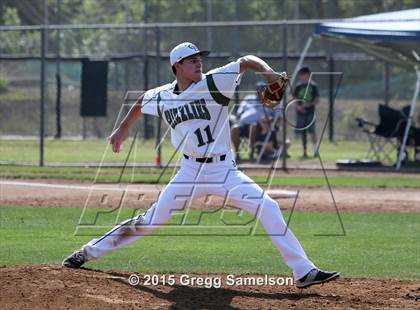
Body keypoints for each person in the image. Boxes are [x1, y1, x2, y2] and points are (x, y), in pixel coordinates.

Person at [62, 42, 339, 289]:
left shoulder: (214, 82)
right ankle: (86, 253)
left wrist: (268, 73)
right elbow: (140, 101)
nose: (199, 63)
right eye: (192, 60)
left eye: (200, 59)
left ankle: (303, 271)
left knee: (268, 207)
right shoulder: (163, 96)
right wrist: (122, 130)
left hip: (224, 171)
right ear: (177, 67)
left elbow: (246, 60)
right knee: (148, 222)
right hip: (189, 172)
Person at [231, 82, 275, 161]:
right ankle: (237, 154)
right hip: (243, 124)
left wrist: (269, 119)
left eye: (263, 90)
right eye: (259, 90)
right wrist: (238, 117)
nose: (261, 92)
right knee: (235, 128)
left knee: (253, 126)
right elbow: (239, 112)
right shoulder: (249, 98)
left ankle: (251, 152)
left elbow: (274, 116)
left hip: (259, 127)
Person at [293, 66, 320, 158]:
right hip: (300, 113)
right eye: (300, 75)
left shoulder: (313, 86)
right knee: (303, 133)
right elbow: (295, 99)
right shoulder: (298, 86)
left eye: (302, 74)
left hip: (310, 112)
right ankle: (304, 152)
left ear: (307, 75)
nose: (301, 77)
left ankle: (315, 150)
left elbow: (317, 100)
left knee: (312, 132)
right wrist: (298, 106)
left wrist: (307, 105)